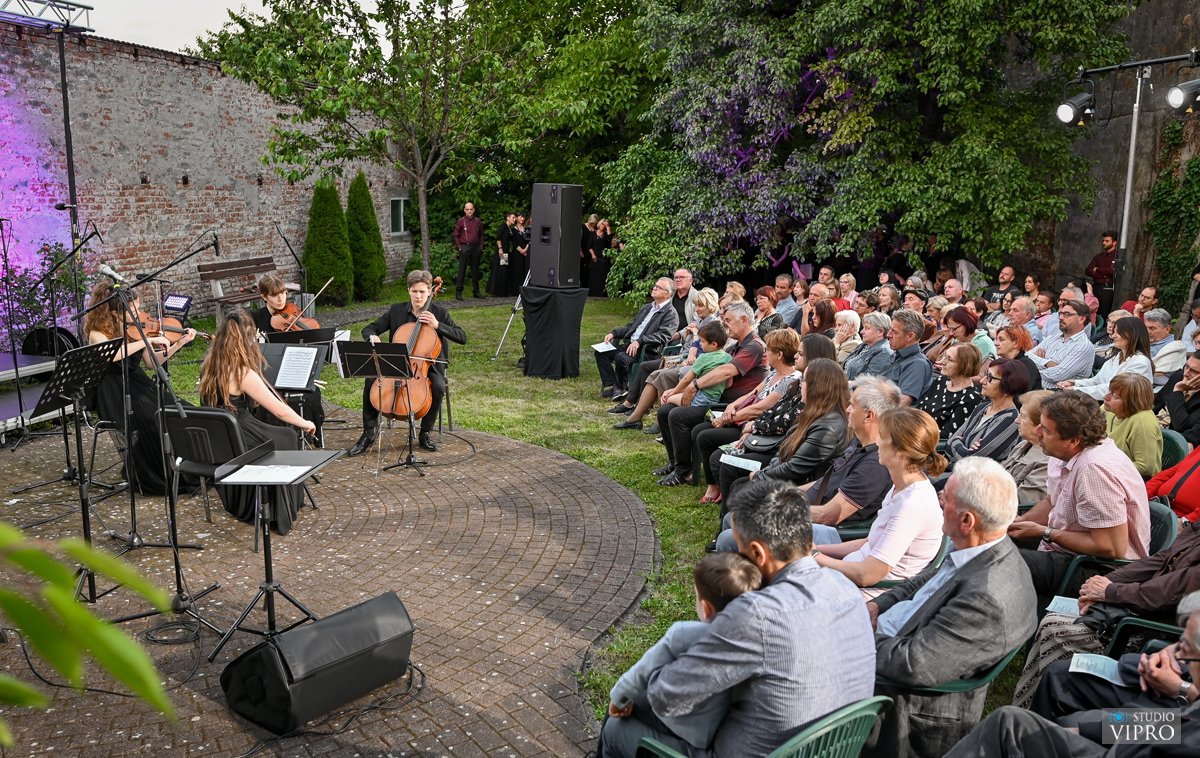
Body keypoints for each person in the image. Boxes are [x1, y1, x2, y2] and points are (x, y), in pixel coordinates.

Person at [599, 479, 876, 758]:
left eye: (740, 551)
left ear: (757, 553)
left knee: (617, 726)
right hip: (834, 749)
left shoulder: (756, 614)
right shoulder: (847, 591)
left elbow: (667, 698)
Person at [863, 457, 1037, 758]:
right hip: (890, 638)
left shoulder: (986, 597)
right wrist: (878, 605)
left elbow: (913, 664)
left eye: (946, 497)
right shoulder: (981, 547)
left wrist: (853, 637)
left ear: (967, 521)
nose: (939, 498)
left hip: (898, 707)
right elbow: (926, 581)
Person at [944, 592, 1200, 758]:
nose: (1180, 652)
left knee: (1011, 724)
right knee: (1058, 685)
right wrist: (1170, 652)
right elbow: (1168, 727)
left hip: (1150, 726)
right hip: (1159, 716)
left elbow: (1166, 729)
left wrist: (1180, 689)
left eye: (1186, 648)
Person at [1013, 525, 1200, 709]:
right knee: (1054, 634)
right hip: (1146, 620)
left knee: (1058, 636)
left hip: (1151, 632)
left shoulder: (1174, 719)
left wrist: (1110, 591)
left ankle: (1029, 718)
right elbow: (1163, 559)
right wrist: (1106, 583)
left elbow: (1171, 591)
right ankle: (1022, 714)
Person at [1007, 390, 1152, 606]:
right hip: (1064, 548)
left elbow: (1110, 548)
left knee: (999, 563)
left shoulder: (1094, 470)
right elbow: (1051, 502)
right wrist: (1019, 522)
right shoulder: (1063, 452)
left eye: (1045, 429)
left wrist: (1045, 532)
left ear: (1073, 441)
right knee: (981, 540)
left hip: (1100, 569)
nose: (1037, 432)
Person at [605, 552, 762, 752]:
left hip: (679, 723)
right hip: (712, 730)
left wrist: (618, 699)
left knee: (619, 709)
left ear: (706, 608)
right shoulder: (754, 638)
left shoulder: (685, 634)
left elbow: (642, 671)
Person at [198, 309, 316, 536]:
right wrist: (305, 422)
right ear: (245, 341)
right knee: (287, 436)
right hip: (238, 433)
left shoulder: (209, 364)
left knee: (278, 434)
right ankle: (279, 507)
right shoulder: (243, 373)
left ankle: (254, 501)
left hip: (218, 436)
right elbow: (280, 410)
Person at [812, 407, 946, 596]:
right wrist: (816, 550)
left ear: (900, 452)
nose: (877, 443)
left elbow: (867, 575)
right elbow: (869, 543)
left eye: (883, 438)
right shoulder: (901, 486)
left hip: (863, 595)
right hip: (848, 581)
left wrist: (813, 556)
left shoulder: (912, 504)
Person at [84, 279, 200, 496]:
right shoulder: (97, 333)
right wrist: (147, 341)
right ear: (116, 313)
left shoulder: (136, 330)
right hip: (113, 391)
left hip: (138, 382)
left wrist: (178, 344)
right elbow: (112, 356)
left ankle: (185, 468)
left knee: (181, 412)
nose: (138, 313)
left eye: (138, 308)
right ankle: (153, 475)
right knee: (152, 418)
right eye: (133, 310)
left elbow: (151, 363)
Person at [349, 270, 468, 456]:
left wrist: (438, 325)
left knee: (438, 386)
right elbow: (370, 328)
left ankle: (425, 433)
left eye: (422, 292)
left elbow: (462, 337)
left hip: (428, 367)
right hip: (397, 363)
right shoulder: (397, 310)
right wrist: (372, 336)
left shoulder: (439, 313)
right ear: (408, 291)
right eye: (414, 292)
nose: (418, 296)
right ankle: (368, 433)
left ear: (430, 291)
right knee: (371, 379)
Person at [654, 302, 766, 486]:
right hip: (716, 400)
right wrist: (682, 389)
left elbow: (726, 372)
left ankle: (684, 472)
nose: (725, 324)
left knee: (677, 415)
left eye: (728, 320)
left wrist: (693, 386)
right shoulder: (734, 347)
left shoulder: (754, 346)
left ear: (744, 320)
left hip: (730, 407)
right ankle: (676, 464)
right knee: (665, 411)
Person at [711, 358, 850, 502]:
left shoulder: (827, 428)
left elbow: (796, 468)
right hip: (785, 466)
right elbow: (786, 453)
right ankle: (731, 515)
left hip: (805, 490)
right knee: (733, 475)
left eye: (804, 381)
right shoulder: (815, 414)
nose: (800, 385)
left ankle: (732, 515)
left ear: (818, 386)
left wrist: (760, 476)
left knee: (740, 484)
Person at [692, 328, 801, 500]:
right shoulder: (774, 373)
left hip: (756, 428)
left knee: (706, 437)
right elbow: (752, 394)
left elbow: (759, 409)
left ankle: (717, 487)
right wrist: (732, 407)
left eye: (768, 350)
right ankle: (714, 484)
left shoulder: (790, 381)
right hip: (744, 421)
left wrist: (727, 418)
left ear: (779, 355)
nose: (765, 353)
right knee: (700, 431)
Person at [612, 288, 722, 428]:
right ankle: (635, 408)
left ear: (710, 306)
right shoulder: (699, 321)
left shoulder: (712, 325)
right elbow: (684, 341)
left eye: (700, 306)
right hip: (682, 358)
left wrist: (695, 334)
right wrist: (686, 334)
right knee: (648, 368)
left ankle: (655, 419)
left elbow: (701, 351)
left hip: (689, 363)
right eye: (696, 305)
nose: (696, 309)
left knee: (656, 372)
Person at [251, 274, 326, 445]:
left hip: (294, 369)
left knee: (312, 395)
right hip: (267, 372)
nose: (281, 299)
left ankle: (312, 432)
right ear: (264, 297)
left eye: (283, 293)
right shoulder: (255, 318)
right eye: (274, 295)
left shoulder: (293, 312)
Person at [593, 277, 679, 401]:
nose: (654, 288)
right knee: (601, 353)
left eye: (658, 287)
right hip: (630, 345)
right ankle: (615, 386)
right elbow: (631, 326)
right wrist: (614, 333)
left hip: (647, 350)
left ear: (667, 294)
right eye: (655, 285)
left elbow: (664, 335)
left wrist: (640, 341)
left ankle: (619, 388)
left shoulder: (670, 313)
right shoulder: (647, 308)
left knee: (621, 357)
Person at [944, 357, 1027, 467]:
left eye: (990, 378)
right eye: (986, 374)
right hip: (955, 469)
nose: (982, 381)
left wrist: (957, 442)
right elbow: (949, 444)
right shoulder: (983, 407)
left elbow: (972, 460)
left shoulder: (1010, 420)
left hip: (975, 476)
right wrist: (959, 443)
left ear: (1008, 386)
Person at [1060, 315, 1154, 400]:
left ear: (1132, 335)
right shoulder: (1116, 358)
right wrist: (1074, 383)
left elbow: (1114, 390)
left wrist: (1076, 390)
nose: (1113, 336)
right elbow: (1097, 380)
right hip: (1108, 402)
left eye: (1118, 332)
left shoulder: (1140, 362)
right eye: (1114, 332)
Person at [917, 343, 985, 439]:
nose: (942, 362)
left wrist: (915, 431)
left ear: (964, 365)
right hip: (916, 432)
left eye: (949, 359)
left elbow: (948, 434)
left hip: (929, 441)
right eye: (945, 356)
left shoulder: (971, 398)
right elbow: (920, 410)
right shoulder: (941, 381)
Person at [660, 322, 731, 410]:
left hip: (700, 399)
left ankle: (660, 418)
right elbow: (729, 384)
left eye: (703, 341)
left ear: (714, 344)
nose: (700, 344)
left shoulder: (703, 358)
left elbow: (686, 379)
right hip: (715, 399)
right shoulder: (728, 357)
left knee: (667, 399)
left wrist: (674, 392)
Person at [1104, 373, 1163, 478]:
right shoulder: (1109, 409)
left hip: (1136, 480)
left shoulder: (1142, 422)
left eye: (1115, 396)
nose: (1105, 397)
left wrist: (1104, 468)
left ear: (1132, 403)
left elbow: (1145, 467)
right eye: (1109, 391)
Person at [1001, 390, 1054, 504]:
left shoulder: (1047, 460)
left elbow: (1024, 502)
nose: (1017, 420)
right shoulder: (1023, 445)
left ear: (1040, 423)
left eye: (1023, 416)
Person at [1028, 298, 1095, 386]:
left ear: (1082, 319)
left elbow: (1057, 375)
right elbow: (1027, 356)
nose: (1060, 318)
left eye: (1066, 315)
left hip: (1056, 392)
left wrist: (1033, 367)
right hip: (1033, 386)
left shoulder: (1083, 346)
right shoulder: (1053, 337)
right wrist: (1047, 363)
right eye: (1061, 313)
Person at [881, 308, 935, 406]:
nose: (888, 335)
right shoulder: (897, 354)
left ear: (910, 336)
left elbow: (902, 402)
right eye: (890, 330)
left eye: (895, 332)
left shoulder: (918, 364)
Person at [1148, 444, 1200, 521]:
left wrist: (1185, 521)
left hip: (1184, 519)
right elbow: (1171, 472)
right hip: (1161, 506)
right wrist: (1147, 495)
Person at [1159, 352, 1200, 446]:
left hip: (1170, 442)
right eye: (1186, 366)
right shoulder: (1178, 377)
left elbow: (1181, 426)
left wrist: (1177, 391)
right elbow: (1156, 401)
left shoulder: (1179, 385)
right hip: (1152, 426)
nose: (1186, 373)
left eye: (1194, 371)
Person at [843, 312, 894, 380]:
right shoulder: (864, 346)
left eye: (867, 328)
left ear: (880, 332)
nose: (861, 332)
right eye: (863, 327)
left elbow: (869, 381)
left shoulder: (883, 352)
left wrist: (845, 384)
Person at [1145, 308, 1186, 390]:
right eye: (1145, 328)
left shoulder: (1175, 348)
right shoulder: (1141, 343)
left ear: (1167, 329)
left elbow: (1162, 375)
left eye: (1152, 328)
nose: (1147, 332)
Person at [993, 324, 1043, 391]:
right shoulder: (1003, 363)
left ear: (1016, 343)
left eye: (1001, 340)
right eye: (997, 340)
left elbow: (1020, 394)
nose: (996, 343)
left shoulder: (1026, 366)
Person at [452, 201, 484, 300]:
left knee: (475, 270)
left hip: (476, 247)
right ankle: (458, 291)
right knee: (462, 269)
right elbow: (456, 235)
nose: (469, 211)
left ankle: (476, 291)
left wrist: (481, 246)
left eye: (471, 209)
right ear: (464, 210)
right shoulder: (461, 221)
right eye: (467, 209)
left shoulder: (478, 221)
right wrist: (459, 246)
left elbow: (481, 234)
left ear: (474, 210)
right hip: (465, 246)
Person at [1086, 229, 1119, 317]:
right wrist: (1103, 276)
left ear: (1114, 242)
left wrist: (1097, 270)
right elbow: (1088, 270)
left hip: (1108, 288)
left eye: (1107, 241)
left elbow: (1114, 271)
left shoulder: (1118, 256)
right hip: (1096, 287)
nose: (1104, 243)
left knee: (1105, 313)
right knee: (1091, 311)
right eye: (1103, 241)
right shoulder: (1099, 256)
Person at [488, 211, 515, 298]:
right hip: (502, 252)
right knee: (501, 269)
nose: (514, 219)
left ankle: (503, 290)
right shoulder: (503, 226)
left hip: (505, 251)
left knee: (504, 269)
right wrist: (500, 249)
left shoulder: (509, 228)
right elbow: (498, 237)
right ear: (508, 218)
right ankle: (497, 290)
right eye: (513, 218)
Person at [669, 269, 699, 339]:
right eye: (676, 277)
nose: (678, 280)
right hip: (666, 334)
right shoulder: (669, 295)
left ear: (690, 281)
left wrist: (680, 334)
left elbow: (698, 321)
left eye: (682, 277)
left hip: (687, 336)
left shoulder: (697, 297)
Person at [587, 219, 613, 297]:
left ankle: (601, 293)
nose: (603, 226)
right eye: (602, 224)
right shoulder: (593, 234)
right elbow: (589, 246)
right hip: (594, 256)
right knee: (593, 275)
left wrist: (608, 227)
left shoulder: (606, 235)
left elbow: (609, 240)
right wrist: (593, 255)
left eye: (604, 225)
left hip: (603, 258)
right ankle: (592, 292)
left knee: (602, 276)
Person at [511, 212, 530, 289]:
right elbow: (514, 242)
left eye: (523, 217)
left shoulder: (527, 229)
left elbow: (529, 240)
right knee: (517, 270)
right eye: (520, 217)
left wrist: (525, 249)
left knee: (525, 269)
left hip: (526, 251)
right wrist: (521, 250)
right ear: (516, 218)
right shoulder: (513, 230)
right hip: (517, 253)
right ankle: (516, 289)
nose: (522, 219)